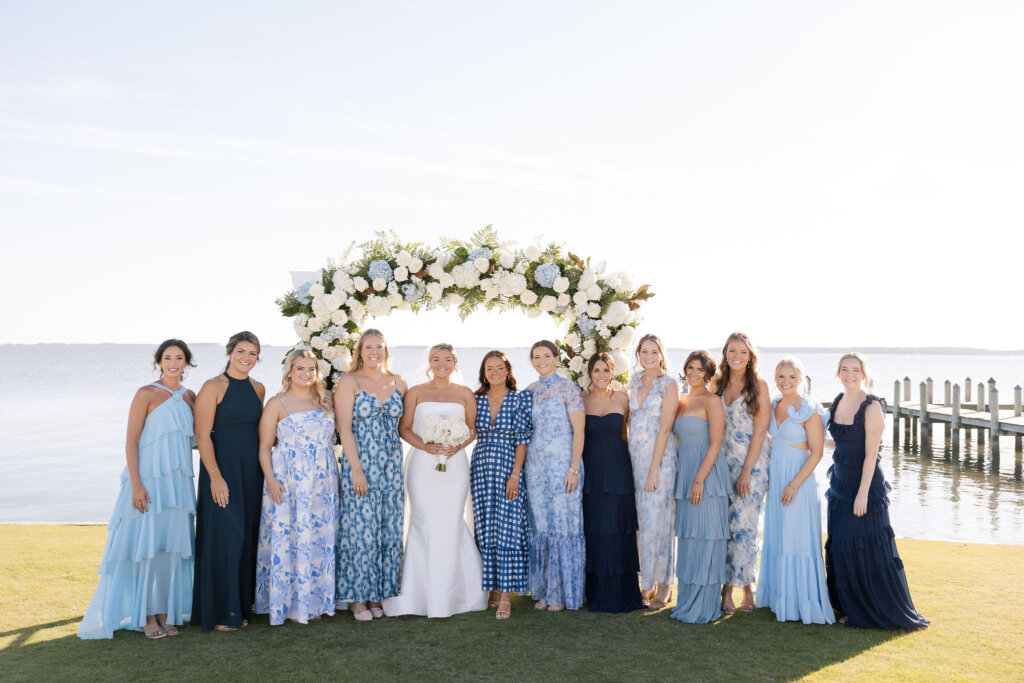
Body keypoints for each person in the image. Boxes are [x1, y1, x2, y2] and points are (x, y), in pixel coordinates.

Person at [78, 340, 197, 639]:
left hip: (178, 484)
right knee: (145, 548)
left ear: (186, 363)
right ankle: (145, 616)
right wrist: (136, 484)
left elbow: (196, 440)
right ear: (158, 361)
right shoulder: (146, 393)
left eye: (179, 358)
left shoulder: (191, 397)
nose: (173, 363)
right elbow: (131, 441)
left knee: (168, 551)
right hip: (148, 482)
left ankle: (164, 613)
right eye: (167, 357)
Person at [383, 343, 488, 618]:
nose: (442, 363)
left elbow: (472, 429)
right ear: (429, 362)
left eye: (448, 359)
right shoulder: (416, 392)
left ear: (455, 363)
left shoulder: (465, 393)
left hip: (454, 465)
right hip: (422, 463)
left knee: (452, 521)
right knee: (422, 521)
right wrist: (426, 446)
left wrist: (457, 444)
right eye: (437, 359)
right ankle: (417, 595)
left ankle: (459, 593)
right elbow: (404, 429)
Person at [825, 353, 928, 630]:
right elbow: (841, 444)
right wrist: (799, 444)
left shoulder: (871, 406)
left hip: (865, 486)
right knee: (842, 547)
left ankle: (870, 610)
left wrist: (862, 494)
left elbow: (871, 455)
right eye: (844, 369)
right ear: (838, 373)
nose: (849, 374)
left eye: (855, 370)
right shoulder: (838, 400)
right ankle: (849, 607)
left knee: (865, 548)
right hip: (838, 484)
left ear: (864, 373)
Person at [255, 350, 339, 625]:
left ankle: (314, 603)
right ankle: (286, 605)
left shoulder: (325, 399)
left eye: (311, 369)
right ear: (289, 370)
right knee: (289, 538)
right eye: (300, 368)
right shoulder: (276, 403)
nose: (306, 373)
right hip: (288, 480)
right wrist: (271, 480)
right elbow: (265, 447)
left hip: (323, 480)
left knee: (317, 538)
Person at [192, 331, 265, 631]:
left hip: (252, 473)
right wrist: (214, 476)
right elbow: (202, 435)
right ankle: (222, 612)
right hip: (222, 472)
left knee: (247, 537)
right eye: (241, 352)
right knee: (225, 538)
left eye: (252, 354)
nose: (246, 358)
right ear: (230, 352)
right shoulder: (213, 387)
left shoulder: (259, 388)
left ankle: (241, 607)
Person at [334, 329, 408, 621]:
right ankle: (357, 597)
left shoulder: (399, 382)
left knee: (388, 529)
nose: (374, 351)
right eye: (368, 347)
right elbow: (344, 428)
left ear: (385, 350)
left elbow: (405, 426)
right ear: (359, 351)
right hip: (361, 465)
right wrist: (355, 469)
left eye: (379, 346)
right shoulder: (349, 381)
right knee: (360, 529)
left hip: (391, 467)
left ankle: (378, 593)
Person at [756, 358, 834, 624]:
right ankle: (778, 597)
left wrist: (794, 484)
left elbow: (817, 452)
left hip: (798, 479)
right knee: (778, 533)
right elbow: (770, 438)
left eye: (791, 377)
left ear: (800, 379)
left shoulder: (809, 409)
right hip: (777, 475)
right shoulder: (774, 404)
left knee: (795, 536)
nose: (785, 382)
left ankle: (800, 602)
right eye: (781, 376)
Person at [470, 350, 532, 619]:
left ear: (508, 370)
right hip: (481, 469)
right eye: (489, 368)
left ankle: (506, 595)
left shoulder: (519, 399)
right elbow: (465, 431)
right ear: (483, 372)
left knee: (508, 528)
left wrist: (515, 474)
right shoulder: (475, 400)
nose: (494, 373)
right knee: (485, 527)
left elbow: (522, 438)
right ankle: (492, 587)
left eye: (499, 368)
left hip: (508, 466)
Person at [525, 340, 586, 611]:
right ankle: (544, 590)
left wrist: (574, 468)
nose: (541, 361)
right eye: (536, 357)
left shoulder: (569, 388)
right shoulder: (528, 391)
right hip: (535, 468)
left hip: (564, 466)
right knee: (541, 526)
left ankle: (562, 593)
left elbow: (579, 431)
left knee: (564, 526)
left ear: (557, 358)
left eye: (546, 356)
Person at [581, 353, 644, 613]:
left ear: (613, 373)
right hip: (592, 470)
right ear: (589, 373)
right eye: (596, 370)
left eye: (606, 370)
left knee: (619, 528)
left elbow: (626, 435)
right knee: (595, 528)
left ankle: (624, 593)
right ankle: (596, 592)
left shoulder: (622, 398)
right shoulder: (581, 399)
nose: (601, 375)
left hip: (619, 470)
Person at [712, 331, 770, 614]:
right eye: (732, 351)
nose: (737, 356)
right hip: (722, 463)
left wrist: (746, 472)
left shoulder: (759, 386)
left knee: (746, 525)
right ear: (725, 353)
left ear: (750, 357)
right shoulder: (717, 383)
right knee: (725, 527)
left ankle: (746, 589)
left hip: (752, 464)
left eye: (743, 352)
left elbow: (760, 432)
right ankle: (724, 590)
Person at [671, 350, 729, 624]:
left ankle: (704, 606)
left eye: (699, 369)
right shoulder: (681, 400)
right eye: (689, 368)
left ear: (709, 373)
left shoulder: (712, 400)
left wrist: (699, 479)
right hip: (685, 474)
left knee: (706, 537)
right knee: (690, 538)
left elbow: (716, 443)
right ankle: (686, 602)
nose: (693, 373)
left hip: (706, 476)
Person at [627, 334, 678, 609]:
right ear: (638, 353)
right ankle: (645, 580)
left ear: (661, 354)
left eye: (654, 351)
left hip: (660, 460)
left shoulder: (669, 385)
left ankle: (664, 584)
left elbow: (666, 427)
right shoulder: (634, 381)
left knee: (660, 520)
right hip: (635, 458)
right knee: (641, 523)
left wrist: (654, 470)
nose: (648, 356)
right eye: (644, 351)